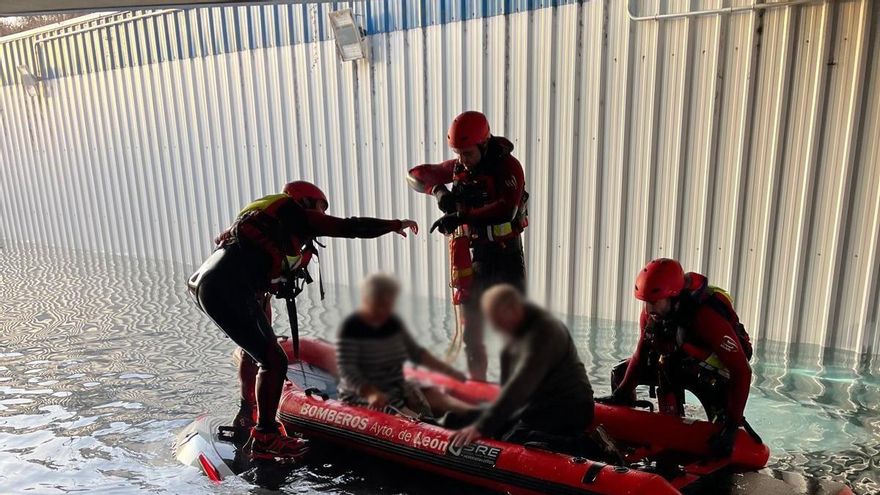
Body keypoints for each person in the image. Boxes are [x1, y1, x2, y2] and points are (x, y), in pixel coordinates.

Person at [187, 181, 418, 461]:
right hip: (224, 287)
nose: (320, 218)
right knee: (274, 362)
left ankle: (248, 416)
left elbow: (258, 287)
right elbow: (349, 227)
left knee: (261, 354)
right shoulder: (292, 212)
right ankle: (265, 438)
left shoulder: (266, 227)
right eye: (320, 209)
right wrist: (394, 224)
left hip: (212, 284)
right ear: (305, 203)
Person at [407, 111, 528, 380]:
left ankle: (515, 393)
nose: (463, 160)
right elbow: (415, 175)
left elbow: (506, 210)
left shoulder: (508, 168)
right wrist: (439, 192)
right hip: (478, 256)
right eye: (457, 153)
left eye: (468, 153)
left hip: (507, 256)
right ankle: (477, 386)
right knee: (472, 333)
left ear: (484, 144)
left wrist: (461, 216)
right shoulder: (460, 167)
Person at [601, 258, 754, 457]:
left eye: (653, 302)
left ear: (673, 296)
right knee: (621, 372)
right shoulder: (652, 315)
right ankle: (634, 431)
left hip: (717, 371)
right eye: (645, 302)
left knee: (670, 363)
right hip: (677, 363)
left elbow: (742, 370)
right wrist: (621, 393)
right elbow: (641, 355)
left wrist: (732, 425)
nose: (648, 309)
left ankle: (709, 425)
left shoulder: (705, 318)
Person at [449, 284, 595, 452]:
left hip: (569, 407)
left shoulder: (546, 332)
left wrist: (481, 427)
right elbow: (507, 387)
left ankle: (582, 446)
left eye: (498, 321)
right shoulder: (513, 335)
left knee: (513, 438)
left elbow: (520, 386)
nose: (496, 328)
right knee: (471, 420)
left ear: (513, 310)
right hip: (539, 404)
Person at [336, 273, 472, 417]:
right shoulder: (351, 328)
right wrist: (371, 394)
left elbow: (417, 353)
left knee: (431, 396)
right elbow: (348, 371)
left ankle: (475, 417)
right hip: (363, 394)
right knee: (407, 415)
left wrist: (448, 370)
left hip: (395, 385)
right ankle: (428, 427)